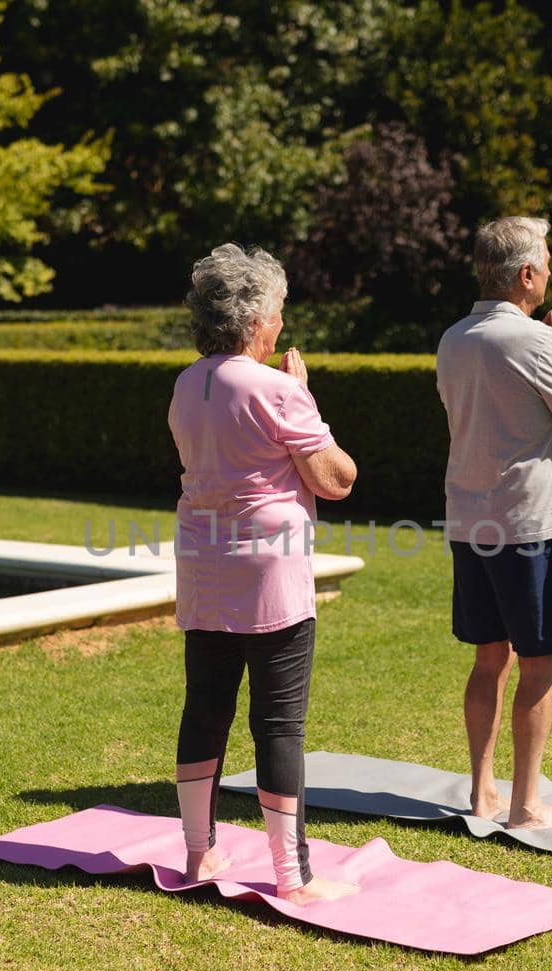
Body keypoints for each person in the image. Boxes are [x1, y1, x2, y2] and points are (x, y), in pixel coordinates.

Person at [167, 243, 360, 904]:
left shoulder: (188, 382)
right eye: (277, 313)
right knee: (278, 722)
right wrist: (305, 398)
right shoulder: (277, 388)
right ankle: (293, 874)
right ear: (255, 323)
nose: (281, 324)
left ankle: (199, 853)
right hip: (268, 576)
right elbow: (337, 479)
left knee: (206, 706)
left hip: (202, 565)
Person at [434, 216, 552, 830]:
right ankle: (526, 807)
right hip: (529, 528)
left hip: (470, 522)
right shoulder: (536, 342)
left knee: (490, 657)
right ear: (527, 275)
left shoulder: (453, 337)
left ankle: (482, 794)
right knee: (544, 661)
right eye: (548, 264)